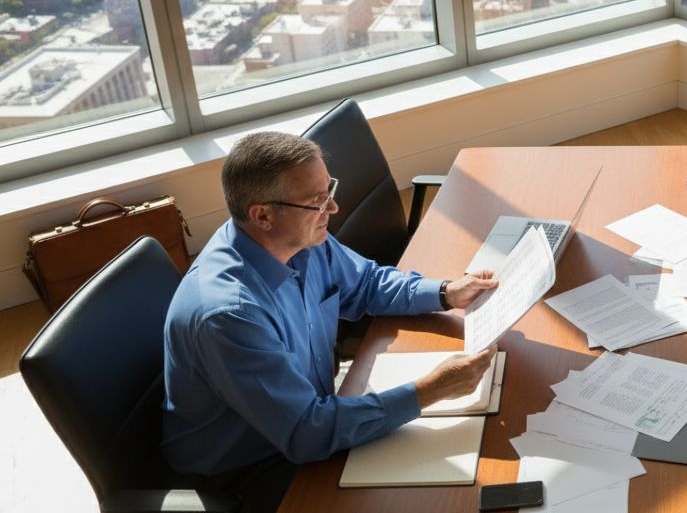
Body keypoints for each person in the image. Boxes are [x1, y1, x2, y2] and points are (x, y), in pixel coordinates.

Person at [163, 131, 498, 512]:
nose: (333, 209)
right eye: (318, 201)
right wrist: (429, 391)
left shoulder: (301, 240)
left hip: (313, 418)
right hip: (254, 472)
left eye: (329, 191)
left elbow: (367, 283)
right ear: (263, 215)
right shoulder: (229, 315)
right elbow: (307, 433)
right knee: (443, 498)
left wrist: (446, 292)